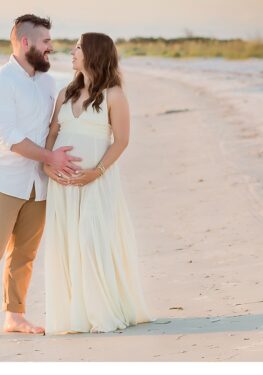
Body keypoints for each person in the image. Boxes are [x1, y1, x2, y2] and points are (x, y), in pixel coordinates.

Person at [0, 14, 83, 341]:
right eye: (46, 42)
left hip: (39, 181)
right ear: (26, 42)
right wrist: (50, 157)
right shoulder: (0, 83)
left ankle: (14, 316)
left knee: (25, 254)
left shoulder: (47, 82)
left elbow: (53, 126)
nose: (51, 48)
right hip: (4, 179)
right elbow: (9, 138)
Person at [43, 32, 154, 334]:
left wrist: (97, 172)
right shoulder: (66, 92)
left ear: (93, 53)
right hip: (62, 184)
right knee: (68, 244)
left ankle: (102, 310)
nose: (72, 52)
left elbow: (122, 141)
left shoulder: (114, 95)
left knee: (92, 243)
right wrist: (47, 164)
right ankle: (77, 315)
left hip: (97, 181)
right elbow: (52, 134)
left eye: (78, 48)